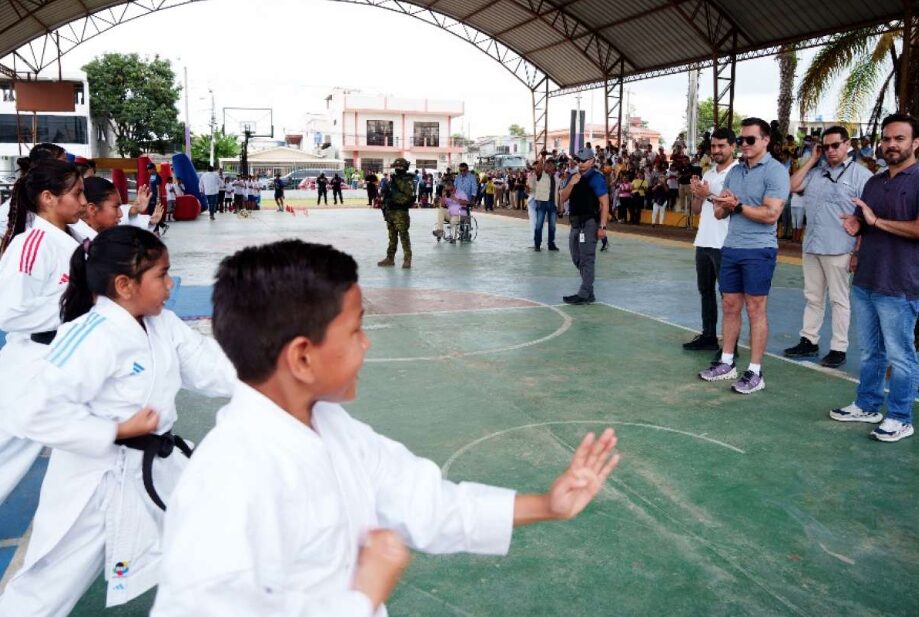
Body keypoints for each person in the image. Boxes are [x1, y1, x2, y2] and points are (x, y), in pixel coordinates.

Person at [149, 240, 620, 615]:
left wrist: (546, 505)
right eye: (355, 331)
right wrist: (363, 593)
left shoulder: (330, 427)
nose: (367, 344)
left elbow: (425, 502)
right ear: (302, 356)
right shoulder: (226, 480)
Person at [0, 226, 236, 614]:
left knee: (219, 544)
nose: (170, 285)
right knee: (46, 588)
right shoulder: (90, 334)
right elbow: (33, 410)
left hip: (157, 467)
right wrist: (114, 429)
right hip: (96, 483)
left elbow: (210, 365)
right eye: (161, 276)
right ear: (125, 285)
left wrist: (273, 379)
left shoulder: (163, 324)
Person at [831, 114, 919, 442]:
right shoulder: (875, 181)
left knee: (901, 354)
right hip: (867, 278)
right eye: (887, 139)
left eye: (899, 138)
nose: (891, 144)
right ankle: (868, 404)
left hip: (900, 283)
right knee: (871, 351)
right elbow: (863, 224)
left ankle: (900, 416)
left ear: (915, 143)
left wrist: (876, 221)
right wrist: (857, 233)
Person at [0, 159, 83, 505]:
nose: (82, 202)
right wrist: (75, 304)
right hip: (30, 364)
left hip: (62, 359)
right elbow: (8, 312)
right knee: (7, 450)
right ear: (48, 198)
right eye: (77, 194)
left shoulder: (72, 237)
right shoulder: (31, 244)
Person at [698, 118, 789, 394]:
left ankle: (755, 371)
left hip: (759, 250)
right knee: (730, 306)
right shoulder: (735, 173)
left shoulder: (775, 172)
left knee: (755, 309)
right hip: (732, 246)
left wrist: (735, 206)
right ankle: (727, 362)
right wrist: (720, 202)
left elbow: (771, 214)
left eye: (751, 139)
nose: (745, 144)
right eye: (743, 139)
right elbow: (719, 213)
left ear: (765, 141)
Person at [784, 126, 873, 368]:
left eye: (836, 145)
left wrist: (857, 251)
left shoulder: (861, 176)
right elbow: (791, 186)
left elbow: (868, 216)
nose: (830, 151)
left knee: (839, 300)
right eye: (825, 147)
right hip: (812, 246)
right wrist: (812, 159)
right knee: (813, 296)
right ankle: (809, 340)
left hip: (840, 248)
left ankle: (838, 347)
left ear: (847, 145)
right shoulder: (815, 173)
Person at [683, 127, 738, 351]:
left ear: (732, 147)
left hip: (724, 242)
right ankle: (708, 335)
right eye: (713, 146)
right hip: (704, 240)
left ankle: (730, 345)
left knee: (728, 297)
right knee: (705, 291)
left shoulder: (737, 173)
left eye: (721, 146)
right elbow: (696, 210)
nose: (716, 150)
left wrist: (707, 195)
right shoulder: (709, 174)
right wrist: (696, 192)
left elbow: (731, 205)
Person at [558, 147, 610, 304]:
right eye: (578, 160)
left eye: (584, 160)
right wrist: (571, 184)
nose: (580, 163)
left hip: (589, 223)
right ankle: (589, 291)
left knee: (587, 258)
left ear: (592, 161)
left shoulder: (596, 178)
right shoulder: (573, 177)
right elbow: (563, 197)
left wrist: (602, 227)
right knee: (576, 257)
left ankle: (584, 293)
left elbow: (605, 203)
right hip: (575, 223)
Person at [377, 158, 414, 269]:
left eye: (400, 167)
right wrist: (385, 196)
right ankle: (390, 258)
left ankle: (407, 260)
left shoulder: (407, 180)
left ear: (405, 168)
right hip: (390, 211)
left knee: (404, 236)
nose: (397, 169)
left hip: (400, 212)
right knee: (392, 236)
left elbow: (408, 197)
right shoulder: (392, 179)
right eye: (396, 167)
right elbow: (387, 193)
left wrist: (394, 198)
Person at [531, 157, 559, 251]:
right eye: (548, 164)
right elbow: (538, 168)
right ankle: (537, 245)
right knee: (539, 225)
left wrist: (558, 205)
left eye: (552, 165)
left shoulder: (556, 178)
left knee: (552, 226)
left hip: (552, 204)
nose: (550, 167)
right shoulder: (540, 174)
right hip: (541, 202)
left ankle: (551, 244)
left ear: (554, 167)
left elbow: (557, 193)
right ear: (545, 166)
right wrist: (542, 157)